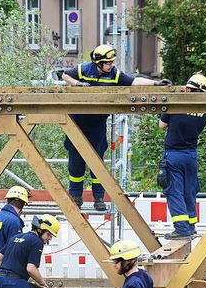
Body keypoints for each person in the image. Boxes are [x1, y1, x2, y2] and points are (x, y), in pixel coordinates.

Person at [61, 44, 172, 211]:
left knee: (97, 160)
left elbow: (134, 81)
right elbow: (65, 75)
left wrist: (156, 83)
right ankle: (75, 196)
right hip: (77, 121)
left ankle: (99, 197)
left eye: (112, 62)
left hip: (98, 121)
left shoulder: (114, 74)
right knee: (75, 161)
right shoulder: (83, 69)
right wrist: (78, 85)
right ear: (98, 63)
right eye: (108, 63)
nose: (111, 65)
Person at [159, 74, 206, 240]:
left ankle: (181, 228)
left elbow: (161, 125)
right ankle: (190, 226)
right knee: (189, 190)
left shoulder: (176, 105)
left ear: (188, 88)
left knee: (174, 191)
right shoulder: (204, 112)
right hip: (191, 155)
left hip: (174, 154)